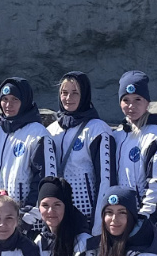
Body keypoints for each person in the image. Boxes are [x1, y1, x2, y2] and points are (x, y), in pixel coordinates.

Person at [0, 77, 56, 223]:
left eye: (15, 99)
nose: (8, 105)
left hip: (25, 218)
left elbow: (44, 180)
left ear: (25, 101)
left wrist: (30, 215)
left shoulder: (38, 134)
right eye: (5, 99)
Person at [47, 71, 114, 225]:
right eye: (64, 93)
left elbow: (106, 179)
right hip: (57, 214)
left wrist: (99, 223)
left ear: (84, 95)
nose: (68, 98)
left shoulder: (97, 129)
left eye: (75, 93)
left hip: (86, 212)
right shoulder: (52, 130)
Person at [114, 71, 157, 230]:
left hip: (152, 220)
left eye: (137, 100)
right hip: (123, 217)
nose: (131, 106)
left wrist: (145, 219)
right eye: (126, 100)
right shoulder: (118, 135)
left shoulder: (156, 137)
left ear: (147, 102)